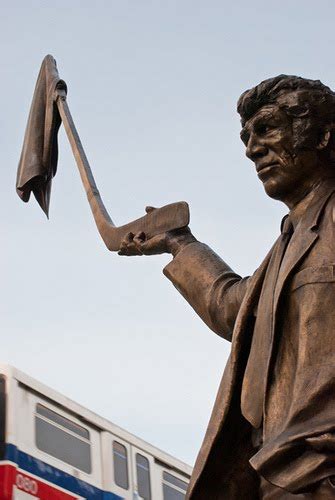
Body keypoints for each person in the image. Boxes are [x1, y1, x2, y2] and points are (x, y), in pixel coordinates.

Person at [119, 76, 335, 499]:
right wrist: (179, 243)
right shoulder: (289, 241)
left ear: (325, 134)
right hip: (277, 477)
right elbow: (236, 309)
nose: (252, 149)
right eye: (247, 137)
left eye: (268, 128)